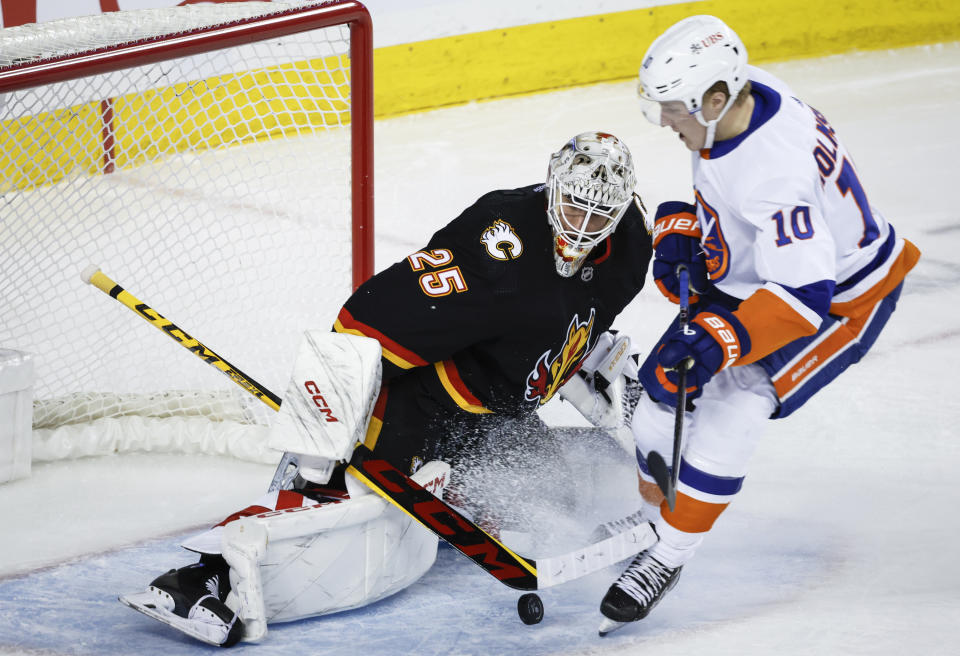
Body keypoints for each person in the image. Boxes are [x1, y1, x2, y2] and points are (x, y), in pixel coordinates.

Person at [121, 131, 654, 646]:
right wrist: (323, 443)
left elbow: (575, 327)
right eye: (575, 206)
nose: (584, 225)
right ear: (552, 186)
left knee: (552, 496)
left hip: (495, 413)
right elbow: (360, 327)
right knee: (341, 508)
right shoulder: (499, 244)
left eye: (601, 213)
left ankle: (451, 494)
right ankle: (199, 578)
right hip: (419, 401)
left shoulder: (631, 246)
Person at [596, 15, 921, 635]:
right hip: (762, 279)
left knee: (737, 403)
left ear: (714, 99)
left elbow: (804, 295)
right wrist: (691, 230)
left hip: (839, 302)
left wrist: (723, 340)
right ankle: (654, 519)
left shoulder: (776, 177)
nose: (665, 121)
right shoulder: (742, 101)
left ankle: (667, 555)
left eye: (673, 109)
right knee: (659, 393)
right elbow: (731, 192)